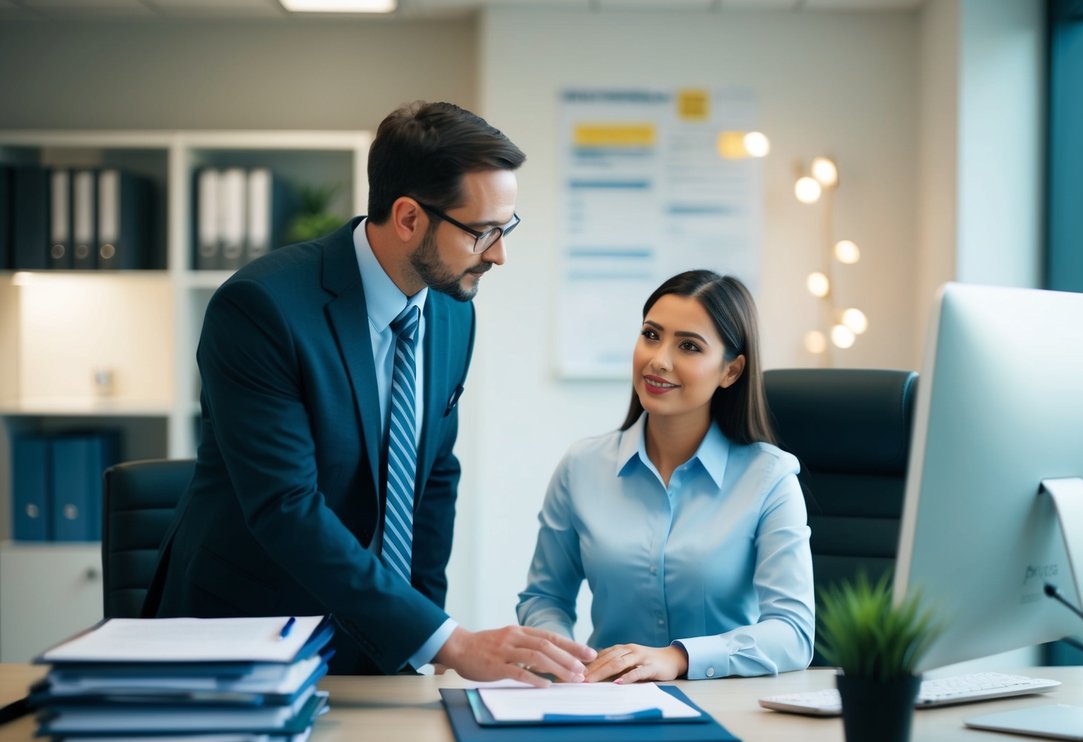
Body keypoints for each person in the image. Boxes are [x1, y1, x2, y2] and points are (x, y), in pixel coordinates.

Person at [145, 101, 595, 683]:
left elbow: (432, 474)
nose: (499, 254)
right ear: (408, 218)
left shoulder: (452, 310)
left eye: (505, 229)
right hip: (249, 632)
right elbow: (287, 507)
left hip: (378, 631)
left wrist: (421, 637)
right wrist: (450, 643)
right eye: (483, 232)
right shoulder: (262, 308)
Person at [517, 269, 815, 682]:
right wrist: (569, 660)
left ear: (731, 371)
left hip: (726, 705)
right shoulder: (582, 467)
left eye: (689, 346)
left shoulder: (770, 477)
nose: (658, 359)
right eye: (651, 335)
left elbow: (793, 632)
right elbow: (544, 596)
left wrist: (680, 659)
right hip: (607, 702)